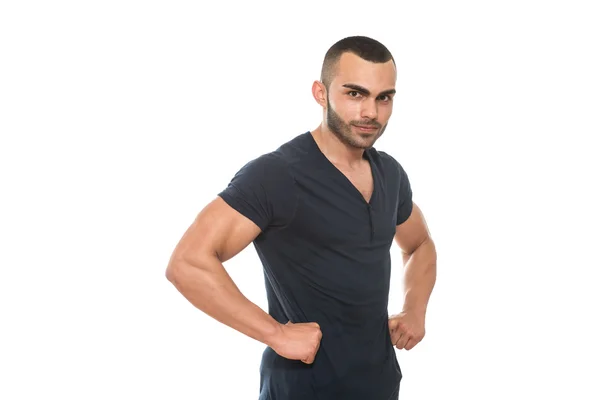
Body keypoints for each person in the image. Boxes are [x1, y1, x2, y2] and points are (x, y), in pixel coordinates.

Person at [166, 35, 437, 399]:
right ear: (321, 93)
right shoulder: (278, 175)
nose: (371, 112)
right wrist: (274, 334)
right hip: (302, 390)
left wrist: (414, 309)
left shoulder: (390, 174)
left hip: (380, 386)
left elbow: (419, 243)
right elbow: (187, 262)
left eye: (383, 97)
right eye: (355, 94)